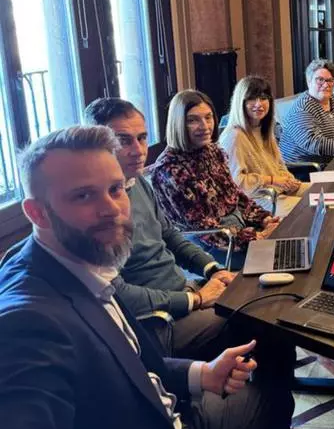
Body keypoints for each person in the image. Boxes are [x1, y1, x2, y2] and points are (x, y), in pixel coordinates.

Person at [0, 125, 334, 429]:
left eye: (115, 189)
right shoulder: (27, 323)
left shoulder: (81, 261)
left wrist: (202, 373)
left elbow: (129, 365)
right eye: (83, 196)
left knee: (274, 399)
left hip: (172, 422)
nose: (112, 209)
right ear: (37, 213)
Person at [83, 97, 238, 360]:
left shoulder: (137, 182)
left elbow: (169, 236)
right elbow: (119, 294)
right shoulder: (93, 212)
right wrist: (195, 300)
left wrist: (214, 269)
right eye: (123, 141)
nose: (138, 150)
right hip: (158, 322)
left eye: (142, 138)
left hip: (182, 290)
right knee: (253, 319)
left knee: (259, 298)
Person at [151, 90, 281, 271]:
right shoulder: (170, 169)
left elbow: (236, 196)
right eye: (193, 120)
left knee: (292, 245)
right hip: (210, 245)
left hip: (237, 231)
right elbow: (202, 227)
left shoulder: (212, 150)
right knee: (278, 260)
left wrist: (264, 219)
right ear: (178, 124)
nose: (205, 126)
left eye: (208, 117)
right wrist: (256, 238)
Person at [219, 75, 306, 218]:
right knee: (312, 209)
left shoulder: (264, 129)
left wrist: (288, 180)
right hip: (256, 200)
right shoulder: (234, 136)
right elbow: (236, 183)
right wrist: (271, 180)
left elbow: (278, 165)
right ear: (241, 102)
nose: (259, 104)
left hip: (278, 190)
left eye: (264, 98)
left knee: (326, 193)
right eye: (252, 99)